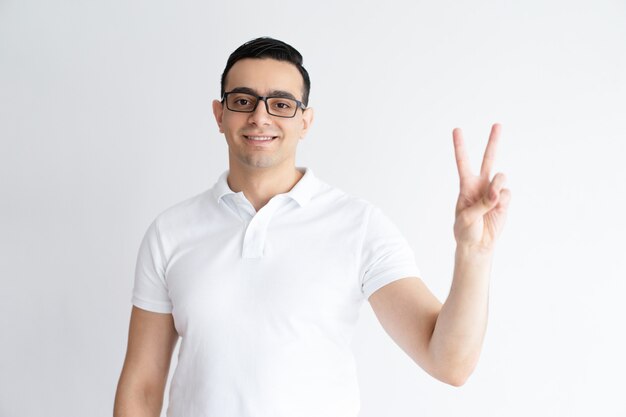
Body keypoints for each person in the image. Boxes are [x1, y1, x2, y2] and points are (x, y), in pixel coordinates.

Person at [113, 37, 511, 417]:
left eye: (281, 104)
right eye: (243, 100)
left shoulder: (358, 226)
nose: (260, 116)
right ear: (220, 114)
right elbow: (143, 386)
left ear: (306, 121)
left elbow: (449, 363)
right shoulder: (171, 232)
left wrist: (474, 254)